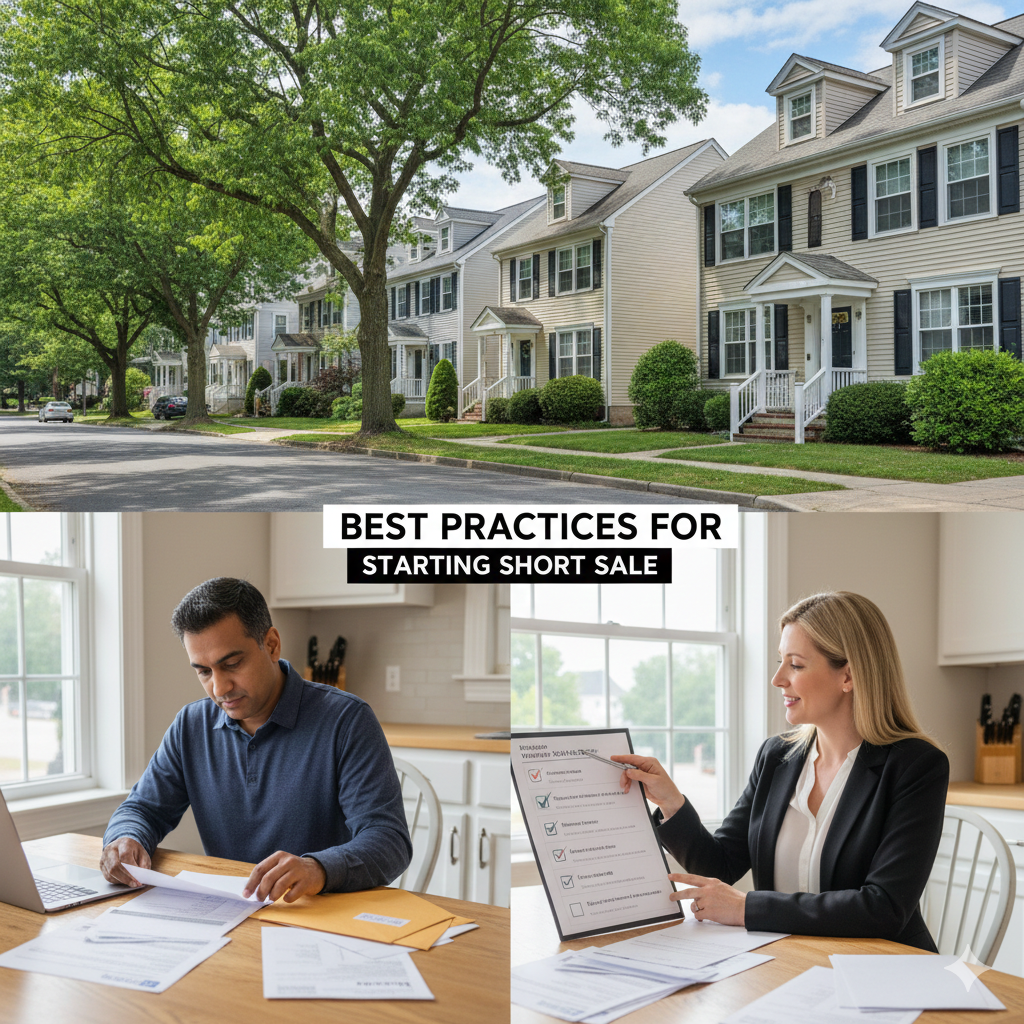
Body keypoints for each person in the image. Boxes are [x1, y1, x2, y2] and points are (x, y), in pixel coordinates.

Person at [613, 591, 949, 951]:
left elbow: (884, 907)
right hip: (790, 958)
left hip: (884, 967)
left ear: (848, 675)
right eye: (779, 661)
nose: (777, 678)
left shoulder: (916, 766)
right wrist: (671, 802)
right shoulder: (777, 756)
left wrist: (748, 907)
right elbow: (722, 864)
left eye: (796, 664)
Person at [100, 577, 412, 902]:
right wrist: (125, 838)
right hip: (230, 914)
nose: (219, 689)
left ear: (272, 644)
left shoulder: (347, 720)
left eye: (232, 664)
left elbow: (389, 841)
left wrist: (317, 868)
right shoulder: (191, 726)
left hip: (318, 914)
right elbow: (144, 808)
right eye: (204, 672)